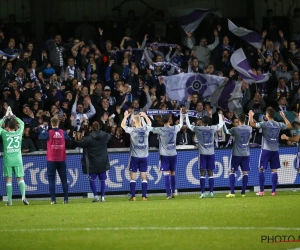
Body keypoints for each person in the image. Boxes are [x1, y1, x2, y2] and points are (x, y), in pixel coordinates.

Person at [248, 108, 291, 196]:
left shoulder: (264, 124)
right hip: (275, 150)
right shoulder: (278, 124)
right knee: (274, 170)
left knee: (261, 169)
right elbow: (289, 126)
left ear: (267, 115)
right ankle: (273, 191)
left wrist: (250, 116)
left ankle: (262, 191)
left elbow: (252, 124)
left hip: (266, 150)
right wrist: (284, 117)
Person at [186, 111, 224, 198]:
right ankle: (211, 192)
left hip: (202, 153)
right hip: (211, 153)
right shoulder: (212, 128)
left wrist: (186, 115)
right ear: (208, 122)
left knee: (202, 173)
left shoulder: (198, 129)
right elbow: (221, 125)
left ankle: (203, 193)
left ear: (202, 122)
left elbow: (188, 125)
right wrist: (220, 115)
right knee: (211, 173)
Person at [73, 121, 111, 202]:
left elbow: (79, 144)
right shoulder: (105, 136)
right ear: (99, 127)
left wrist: (75, 138)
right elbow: (109, 136)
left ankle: (96, 196)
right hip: (103, 162)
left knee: (92, 180)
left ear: (92, 128)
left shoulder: (89, 138)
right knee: (103, 180)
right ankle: (103, 197)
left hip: (92, 163)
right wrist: (105, 125)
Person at [38, 117, 72, 204]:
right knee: (64, 179)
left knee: (51, 180)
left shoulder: (49, 132)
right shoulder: (62, 132)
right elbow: (69, 139)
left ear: (51, 123)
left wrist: (42, 129)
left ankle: (53, 200)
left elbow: (41, 136)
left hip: (51, 159)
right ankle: (66, 199)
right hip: (61, 158)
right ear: (58, 123)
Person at [0, 107, 29, 206]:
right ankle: (23, 196)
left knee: (9, 179)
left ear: (7, 127)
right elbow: (22, 123)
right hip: (18, 159)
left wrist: (5, 117)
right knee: (20, 178)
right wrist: (13, 115)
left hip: (8, 160)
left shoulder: (4, 133)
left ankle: (9, 201)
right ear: (15, 127)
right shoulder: (19, 133)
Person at [151, 110, 183, 199]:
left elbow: (149, 128)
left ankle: (168, 194)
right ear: (169, 120)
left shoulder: (160, 130)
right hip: (173, 154)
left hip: (164, 155)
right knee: (173, 173)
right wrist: (181, 114)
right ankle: (173, 192)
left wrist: (144, 118)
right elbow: (181, 123)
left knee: (166, 174)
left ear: (162, 120)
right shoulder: (175, 128)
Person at [121, 111, 152, 201]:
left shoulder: (132, 130)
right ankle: (144, 196)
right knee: (144, 177)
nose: (131, 122)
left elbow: (122, 125)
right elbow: (150, 123)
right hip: (144, 157)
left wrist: (125, 116)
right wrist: (145, 116)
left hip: (134, 157)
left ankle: (133, 196)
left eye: (132, 120)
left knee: (133, 177)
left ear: (134, 122)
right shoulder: (146, 129)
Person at [225, 113, 252, 197]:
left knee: (232, 171)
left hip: (236, 154)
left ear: (239, 120)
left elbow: (226, 131)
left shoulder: (235, 129)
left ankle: (232, 192)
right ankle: (243, 192)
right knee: (245, 173)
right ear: (245, 120)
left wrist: (223, 122)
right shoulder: (249, 128)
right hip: (246, 154)